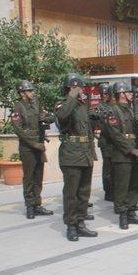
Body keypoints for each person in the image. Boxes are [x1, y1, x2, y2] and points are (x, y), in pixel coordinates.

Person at [55, 73, 97, 241]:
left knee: (84, 192)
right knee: (71, 192)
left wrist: (91, 152)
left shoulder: (82, 106)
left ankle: (80, 222)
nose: (81, 90)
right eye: (77, 87)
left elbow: (88, 131)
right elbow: (62, 117)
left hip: (85, 152)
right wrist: (72, 96)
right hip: (71, 154)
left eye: (80, 88)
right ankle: (71, 225)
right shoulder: (62, 104)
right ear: (70, 88)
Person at [105, 82, 138, 229]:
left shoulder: (130, 111)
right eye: (128, 92)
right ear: (121, 93)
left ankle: (131, 211)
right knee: (122, 186)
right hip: (122, 155)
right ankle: (123, 214)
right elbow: (115, 135)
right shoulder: (112, 111)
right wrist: (130, 150)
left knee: (135, 184)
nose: (131, 94)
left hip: (135, 152)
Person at [11, 80, 55, 220]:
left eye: (32, 90)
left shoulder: (36, 104)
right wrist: (33, 144)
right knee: (29, 177)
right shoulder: (18, 107)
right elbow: (18, 129)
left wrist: (46, 118)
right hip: (28, 147)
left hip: (39, 144)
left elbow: (50, 117)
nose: (32, 93)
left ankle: (37, 204)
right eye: (29, 91)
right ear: (22, 93)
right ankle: (30, 205)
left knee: (38, 176)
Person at [94, 83, 114, 202]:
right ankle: (108, 191)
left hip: (113, 141)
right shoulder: (99, 107)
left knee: (114, 167)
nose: (106, 96)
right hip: (106, 141)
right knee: (107, 168)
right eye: (104, 93)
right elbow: (102, 124)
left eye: (108, 93)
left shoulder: (112, 105)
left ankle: (113, 189)